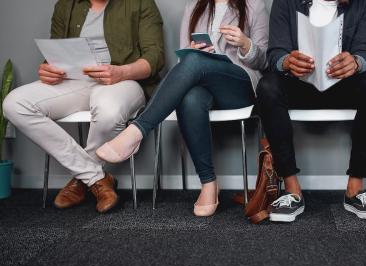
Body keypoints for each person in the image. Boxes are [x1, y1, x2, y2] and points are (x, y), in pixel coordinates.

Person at [96, 0, 269, 217]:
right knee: (190, 97)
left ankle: (136, 131)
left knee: (195, 62)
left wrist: (245, 44)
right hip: (202, 84)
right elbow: (183, 62)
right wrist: (192, 51)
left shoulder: (254, 5)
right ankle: (209, 183)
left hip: (239, 85)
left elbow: (263, 61)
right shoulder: (194, 6)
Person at [3, 0, 165, 213]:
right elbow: (53, 54)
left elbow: (156, 57)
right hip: (74, 81)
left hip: (125, 80)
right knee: (14, 104)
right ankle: (95, 177)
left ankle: (82, 179)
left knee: (109, 109)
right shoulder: (65, 5)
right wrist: (47, 68)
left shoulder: (141, 2)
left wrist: (121, 72)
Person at [256, 0, 366, 223]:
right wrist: (286, 62)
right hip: (299, 85)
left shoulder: (364, 2)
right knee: (267, 86)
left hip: (343, 85)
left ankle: (354, 190)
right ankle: (292, 191)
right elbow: (275, 53)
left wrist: (355, 62)